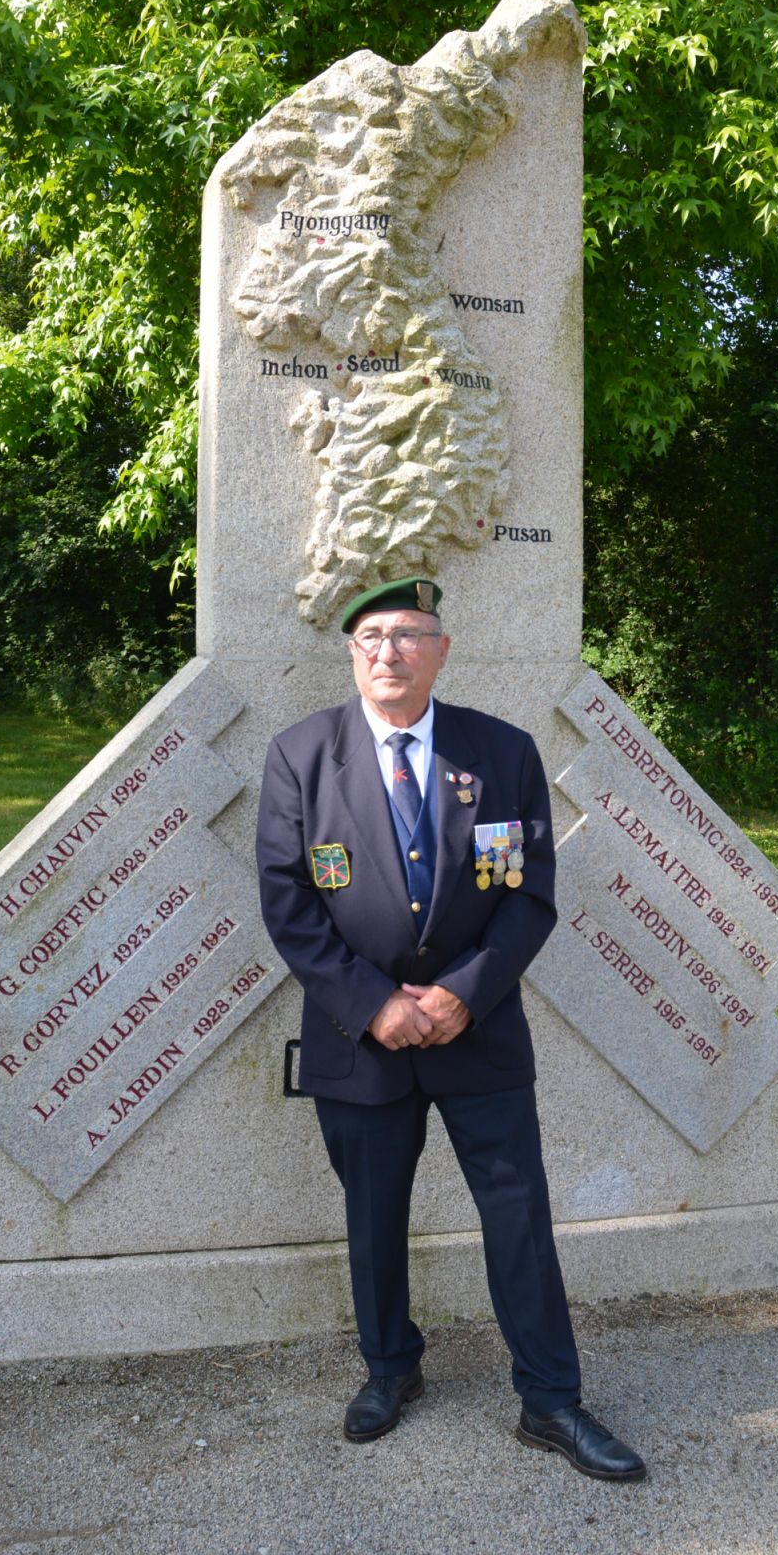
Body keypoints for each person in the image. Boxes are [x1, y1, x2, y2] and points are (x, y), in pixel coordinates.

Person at [255, 576, 646, 1482]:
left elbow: (526, 893)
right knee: (372, 1217)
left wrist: (464, 993)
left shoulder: (500, 751)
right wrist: (376, 1004)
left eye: (407, 634)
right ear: (351, 654)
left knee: (517, 1217)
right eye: (370, 637)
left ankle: (550, 1399)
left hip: (480, 1031)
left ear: (440, 650)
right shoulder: (301, 755)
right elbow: (288, 904)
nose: (387, 652)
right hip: (359, 1040)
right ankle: (390, 1367)